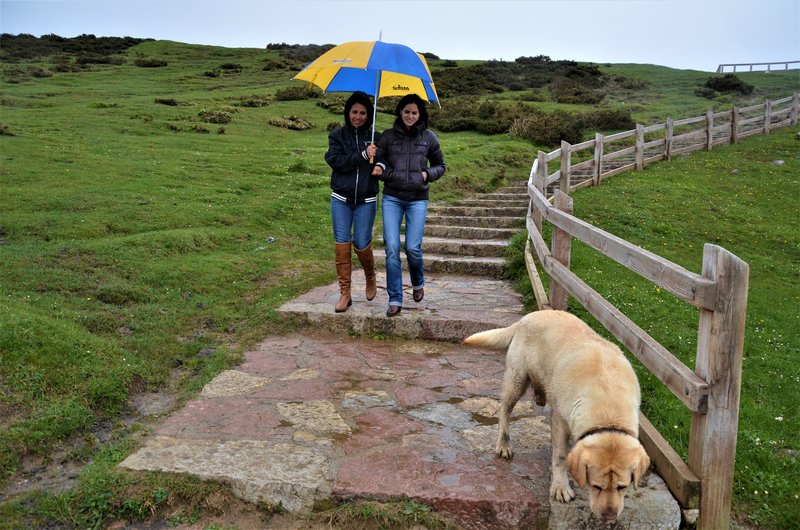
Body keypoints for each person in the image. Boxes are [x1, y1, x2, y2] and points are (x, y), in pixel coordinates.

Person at [372, 94, 446, 317]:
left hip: (418, 199)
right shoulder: (387, 136)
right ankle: (395, 298)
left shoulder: (429, 137)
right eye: (406, 112)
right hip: (392, 198)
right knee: (392, 247)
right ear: (400, 113)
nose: (410, 116)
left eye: (414, 112)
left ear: (420, 114)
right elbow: (380, 163)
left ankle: (417, 282)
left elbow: (441, 166)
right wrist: (382, 169)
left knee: (413, 248)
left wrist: (426, 174)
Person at [324, 91, 380, 313]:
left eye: (363, 113)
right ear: (347, 112)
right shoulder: (337, 136)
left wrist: (380, 164)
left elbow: (384, 162)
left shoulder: (376, 137)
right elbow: (336, 161)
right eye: (354, 112)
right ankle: (345, 293)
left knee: (361, 242)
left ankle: (370, 276)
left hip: (366, 199)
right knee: (342, 243)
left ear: (369, 115)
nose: (358, 116)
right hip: (341, 199)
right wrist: (363, 156)